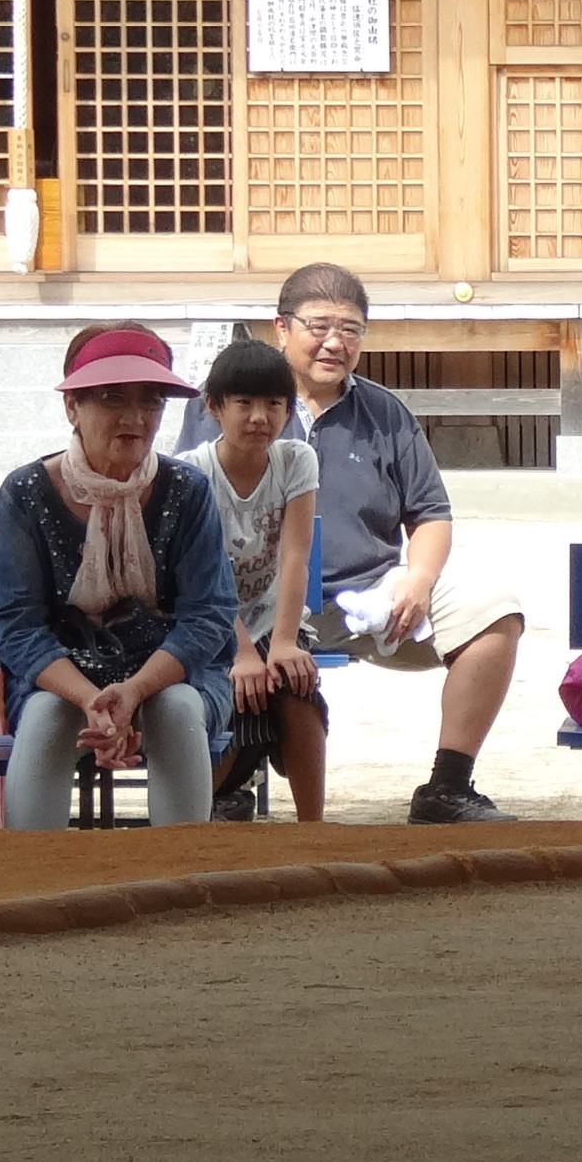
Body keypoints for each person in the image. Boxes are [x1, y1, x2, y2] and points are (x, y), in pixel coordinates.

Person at [181, 263, 521, 824]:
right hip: (249, 597)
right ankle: (227, 783)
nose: (335, 342)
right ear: (281, 328)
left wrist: (418, 578)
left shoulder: (384, 412)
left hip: (364, 595)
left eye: (352, 329)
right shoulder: (227, 403)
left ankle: (448, 786)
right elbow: (196, 517)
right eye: (318, 325)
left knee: (494, 612)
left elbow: (431, 513)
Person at [0, 325, 233, 831]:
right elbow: (14, 624)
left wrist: (135, 690)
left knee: (178, 710)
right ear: (72, 406)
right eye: (111, 399)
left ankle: (180, 875)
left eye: (151, 401)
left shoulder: (188, 490)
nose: (134, 419)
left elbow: (208, 616)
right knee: (46, 718)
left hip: (169, 670)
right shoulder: (27, 492)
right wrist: (88, 698)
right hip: (59, 675)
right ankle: (31, 880)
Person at [177, 338, 327, 822]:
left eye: (273, 404)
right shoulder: (192, 474)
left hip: (273, 620)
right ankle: (197, 818)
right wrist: (242, 654)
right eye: (244, 403)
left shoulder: (295, 460)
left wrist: (283, 642)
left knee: (296, 689)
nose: (259, 417)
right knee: (230, 696)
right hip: (210, 626)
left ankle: (313, 828)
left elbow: (295, 554)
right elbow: (204, 575)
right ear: (215, 406)